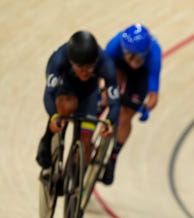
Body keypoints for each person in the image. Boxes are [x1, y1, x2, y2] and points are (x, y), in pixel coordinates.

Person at [36, 30, 119, 170]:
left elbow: (115, 102)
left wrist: (109, 122)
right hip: (66, 86)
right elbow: (49, 94)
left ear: (96, 61)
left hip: (89, 92)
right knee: (68, 105)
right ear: (71, 62)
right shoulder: (59, 60)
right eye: (80, 67)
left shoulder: (106, 65)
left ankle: (73, 180)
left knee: (86, 141)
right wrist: (54, 116)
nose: (85, 72)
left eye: (89, 67)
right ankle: (47, 139)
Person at [103, 23, 162, 185]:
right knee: (106, 93)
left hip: (141, 75)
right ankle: (96, 115)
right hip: (118, 66)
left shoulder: (154, 54)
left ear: (145, 53)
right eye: (129, 55)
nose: (134, 60)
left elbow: (153, 96)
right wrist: (102, 93)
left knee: (125, 116)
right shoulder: (115, 44)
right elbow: (100, 71)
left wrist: (145, 107)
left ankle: (113, 157)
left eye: (138, 57)